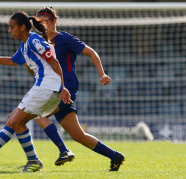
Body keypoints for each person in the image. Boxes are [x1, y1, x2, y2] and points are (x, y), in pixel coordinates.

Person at [0, 11, 73, 173]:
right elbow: (12, 61)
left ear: (22, 27)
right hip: (47, 87)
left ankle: (33, 161)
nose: (9, 30)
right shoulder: (25, 45)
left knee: (16, 122)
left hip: (46, 87)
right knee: (12, 119)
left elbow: (53, 61)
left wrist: (62, 86)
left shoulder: (33, 40)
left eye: (12, 27)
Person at [34, 6, 125, 171]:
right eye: (40, 22)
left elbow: (91, 52)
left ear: (55, 22)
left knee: (37, 114)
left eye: (47, 21)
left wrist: (102, 74)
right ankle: (115, 156)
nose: (44, 25)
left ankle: (63, 151)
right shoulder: (39, 42)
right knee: (78, 135)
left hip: (66, 87)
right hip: (51, 89)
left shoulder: (65, 39)